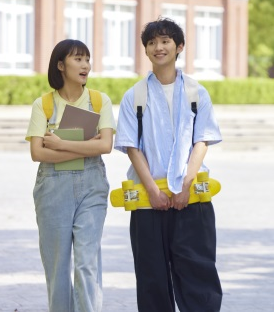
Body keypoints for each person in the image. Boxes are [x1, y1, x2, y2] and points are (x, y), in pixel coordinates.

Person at [114, 17, 222, 312]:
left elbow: (203, 141)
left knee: (198, 279)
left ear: (179, 47)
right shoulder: (134, 96)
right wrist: (152, 190)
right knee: (152, 283)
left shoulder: (196, 93)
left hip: (192, 201)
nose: (158, 47)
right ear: (146, 50)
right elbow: (132, 147)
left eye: (165, 41)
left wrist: (185, 185)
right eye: (151, 42)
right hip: (149, 203)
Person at [25, 39, 115, 312]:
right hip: (53, 188)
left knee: (87, 263)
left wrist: (61, 144)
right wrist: (86, 147)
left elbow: (105, 146)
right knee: (57, 267)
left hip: (92, 187)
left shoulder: (100, 101)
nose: (85, 64)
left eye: (87, 58)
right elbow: (37, 153)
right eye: (78, 59)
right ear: (61, 65)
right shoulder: (44, 105)